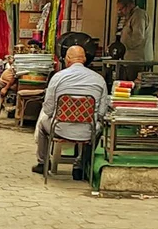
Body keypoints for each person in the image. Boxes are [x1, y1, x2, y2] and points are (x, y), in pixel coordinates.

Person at [33, 45, 108, 179]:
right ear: (84, 59)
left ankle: (43, 163)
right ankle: (80, 165)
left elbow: (48, 109)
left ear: (67, 59)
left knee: (42, 125)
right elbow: (102, 113)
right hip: (88, 131)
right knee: (99, 128)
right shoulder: (99, 79)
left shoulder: (58, 77)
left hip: (59, 128)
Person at [118, 0, 151, 78]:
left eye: (121, 9)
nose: (120, 12)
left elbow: (138, 37)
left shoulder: (138, 15)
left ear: (129, 6)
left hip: (137, 59)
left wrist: (124, 47)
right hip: (130, 59)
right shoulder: (130, 16)